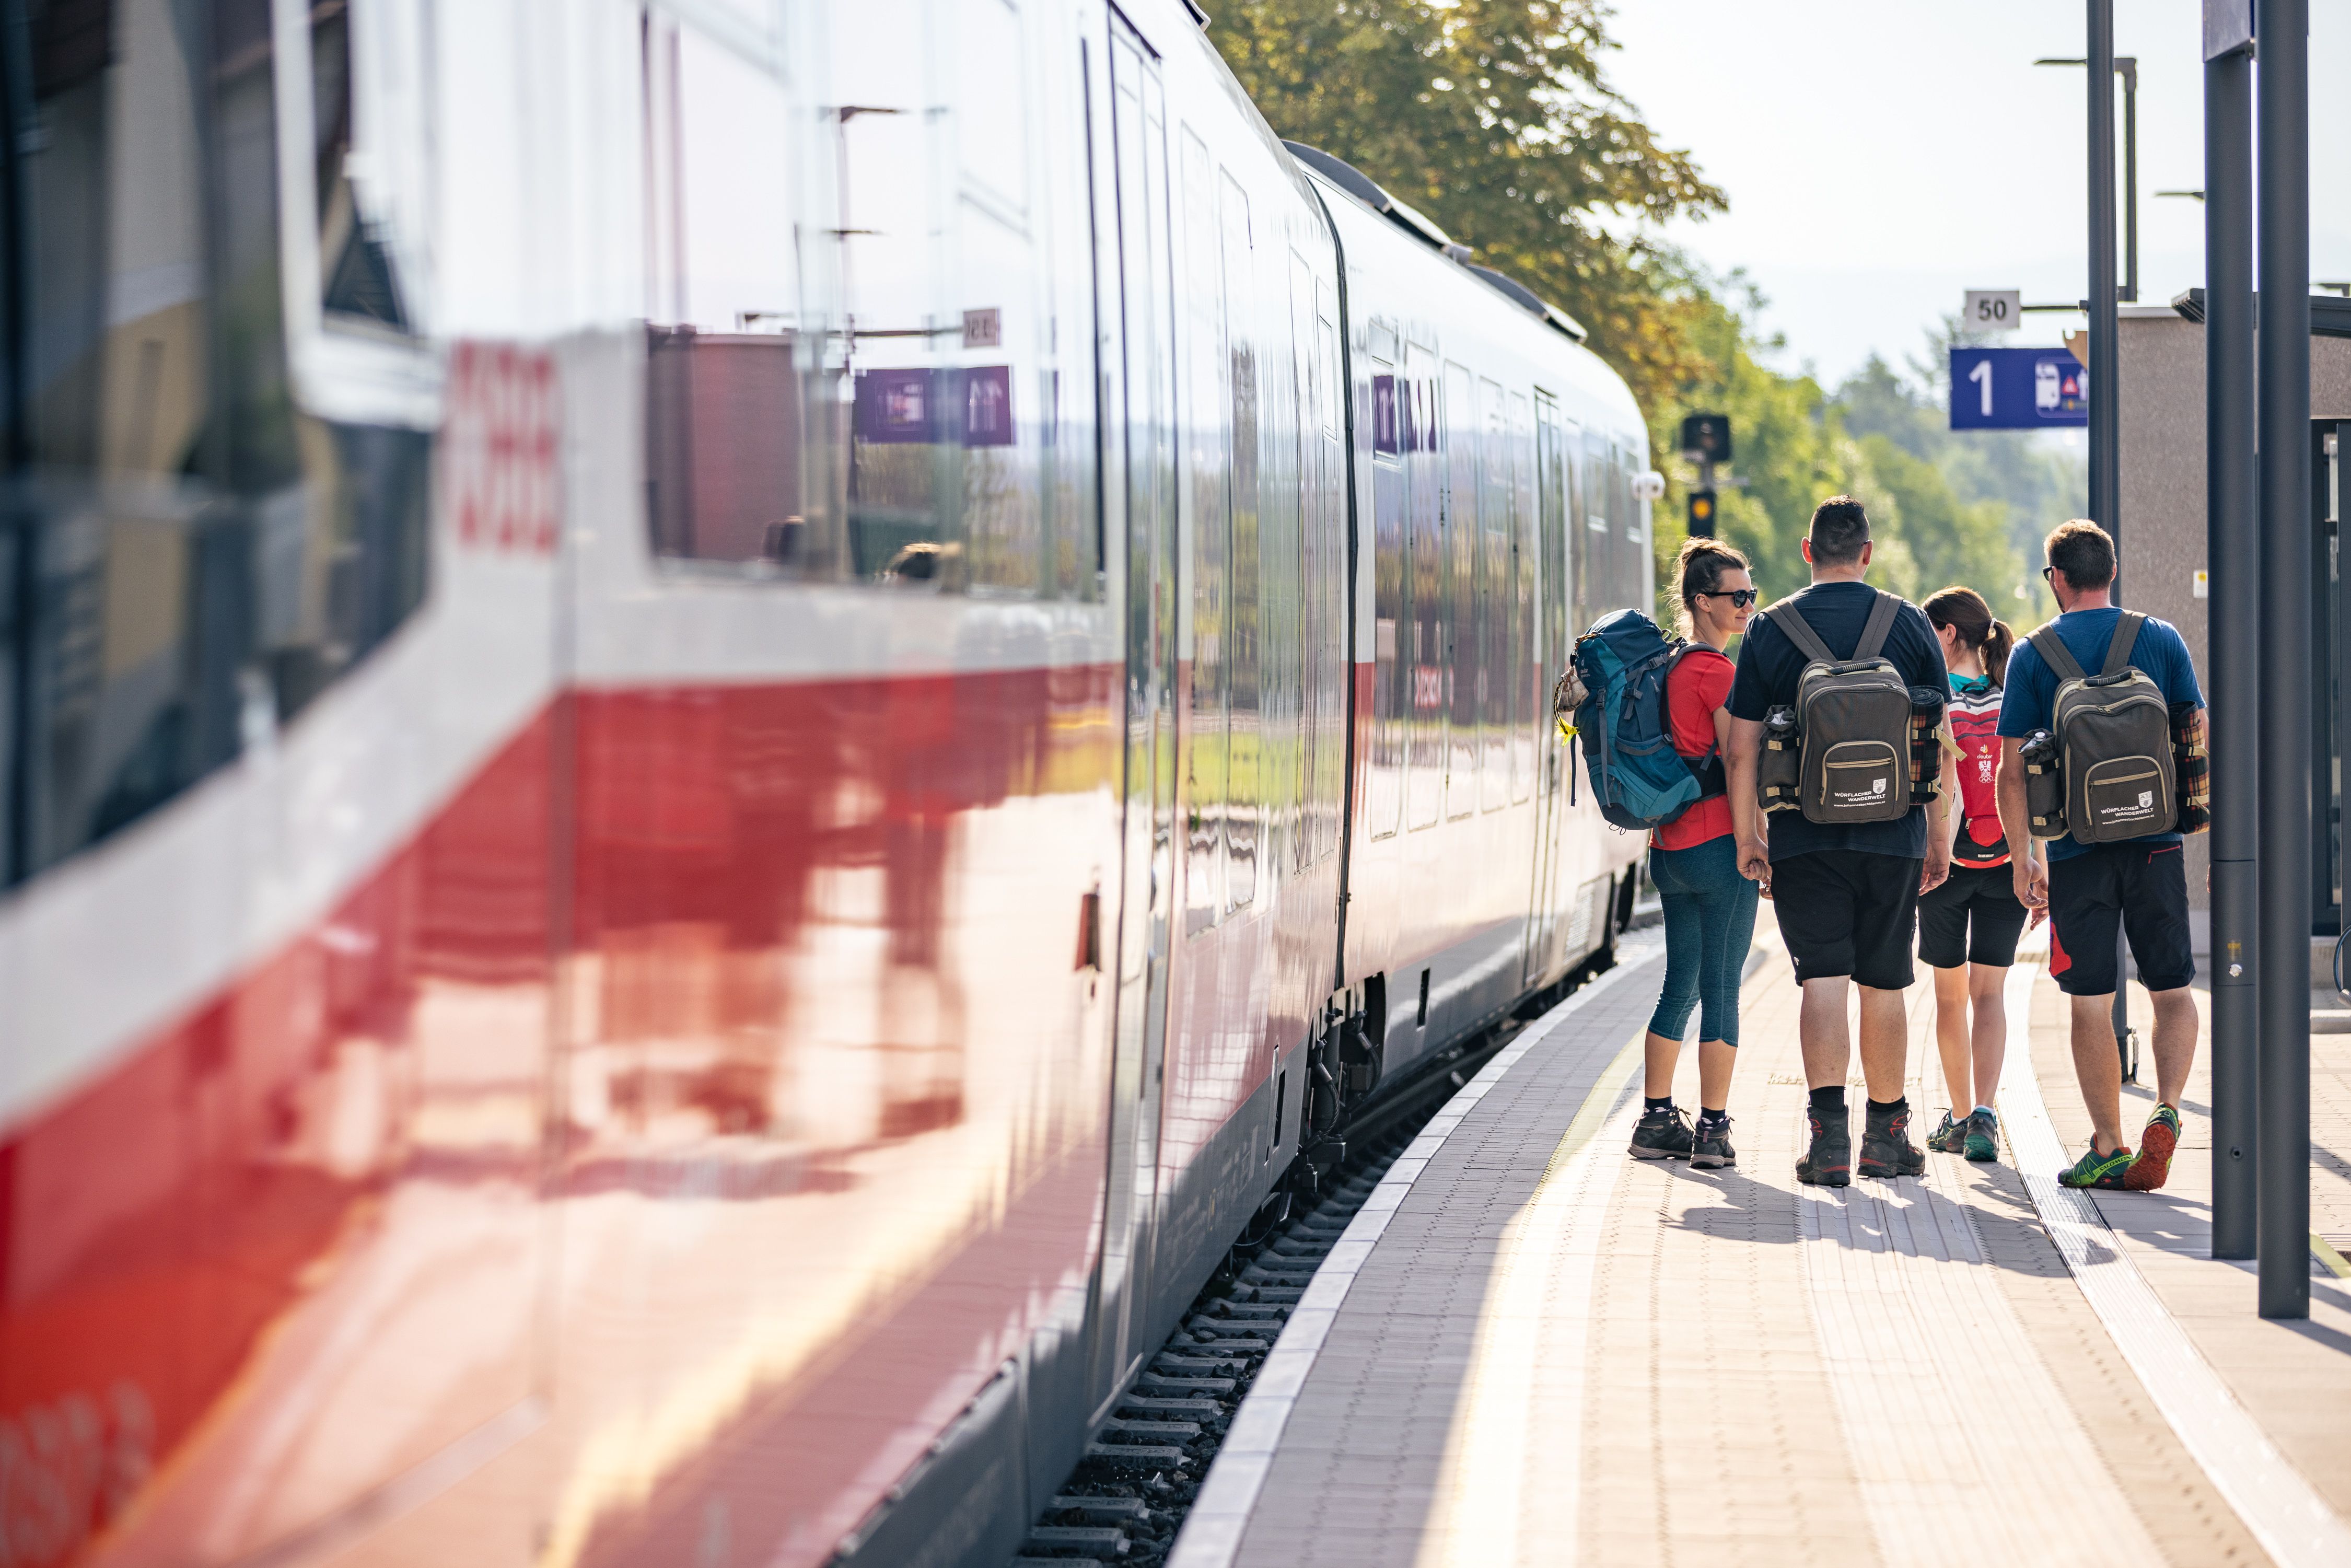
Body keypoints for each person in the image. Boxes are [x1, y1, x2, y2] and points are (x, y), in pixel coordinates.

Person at [1725, 497, 1951, 1187]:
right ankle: (1887, 1136)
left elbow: (1741, 748)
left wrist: (1749, 836)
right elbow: (1938, 740)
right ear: (1868, 553)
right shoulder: (1909, 623)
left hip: (1803, 835)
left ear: (1806, 551)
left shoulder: (1770, 629)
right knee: (1885, 982)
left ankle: (1828, 1143)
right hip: (1895, 835)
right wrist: (1940, 838)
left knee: (1821, 980)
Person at [1996, 521, 2205, 1191]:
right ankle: (2167, 1107)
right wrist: (2190, 815)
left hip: (2077, 852)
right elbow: (2194, 730)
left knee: (2090, 1001)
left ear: (2057, 578)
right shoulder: (2161, 638)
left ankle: (2110, 1143)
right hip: (2156, 845)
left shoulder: (2033, 654)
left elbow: (2009, 774)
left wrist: (2022, 856)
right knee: (2171, 988)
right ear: (2111, 571)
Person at [1629, 540, 1761, 1170]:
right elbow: (1739, 759)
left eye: (1751, 595)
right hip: (1716, 848)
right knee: (1723, 987)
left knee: (1678, 983)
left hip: (1669, 847)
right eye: (1736, 596)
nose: (1746, 606)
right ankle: (1712, 1129)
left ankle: (1656, 1118)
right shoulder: (1719, 673)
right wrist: (1752, 843)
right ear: (1702, 602)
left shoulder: (1671, 667)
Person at [1917, 586, 2040, 1164]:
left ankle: (1961, 1115)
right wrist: (2032, 859)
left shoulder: (1934, 703)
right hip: (2006, 865)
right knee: (1991, 993)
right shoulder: (2012, 703)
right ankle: (1987, 1114)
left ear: (1946, 634)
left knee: (1949, 998)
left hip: (1946, 866)